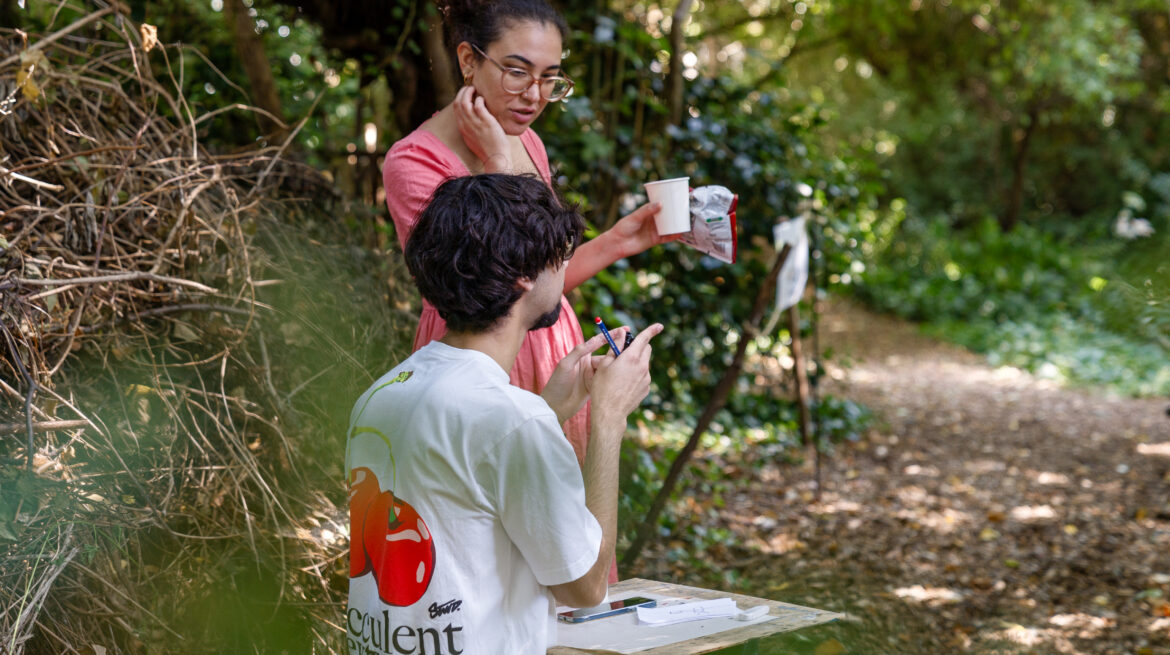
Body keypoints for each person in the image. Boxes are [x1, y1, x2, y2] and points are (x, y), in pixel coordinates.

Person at [346, 174, 663, 654]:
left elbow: (464, 489)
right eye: (560, 256)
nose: (565, 268)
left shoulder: (381, 394)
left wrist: (548, 409)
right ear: (524, 276)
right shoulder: (512, 420)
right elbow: (585, 587)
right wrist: (609, 419)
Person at [382, 0, 675, 474]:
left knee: (566, 522)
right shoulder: (414, 162)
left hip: (553, 348)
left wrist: (621, 240)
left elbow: (544, 275)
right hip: (482, 361)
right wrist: (499, 162)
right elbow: (496, 288)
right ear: (468, 60)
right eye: (517, 72)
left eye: (549, 77)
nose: (534, 95)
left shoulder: (527, 139)